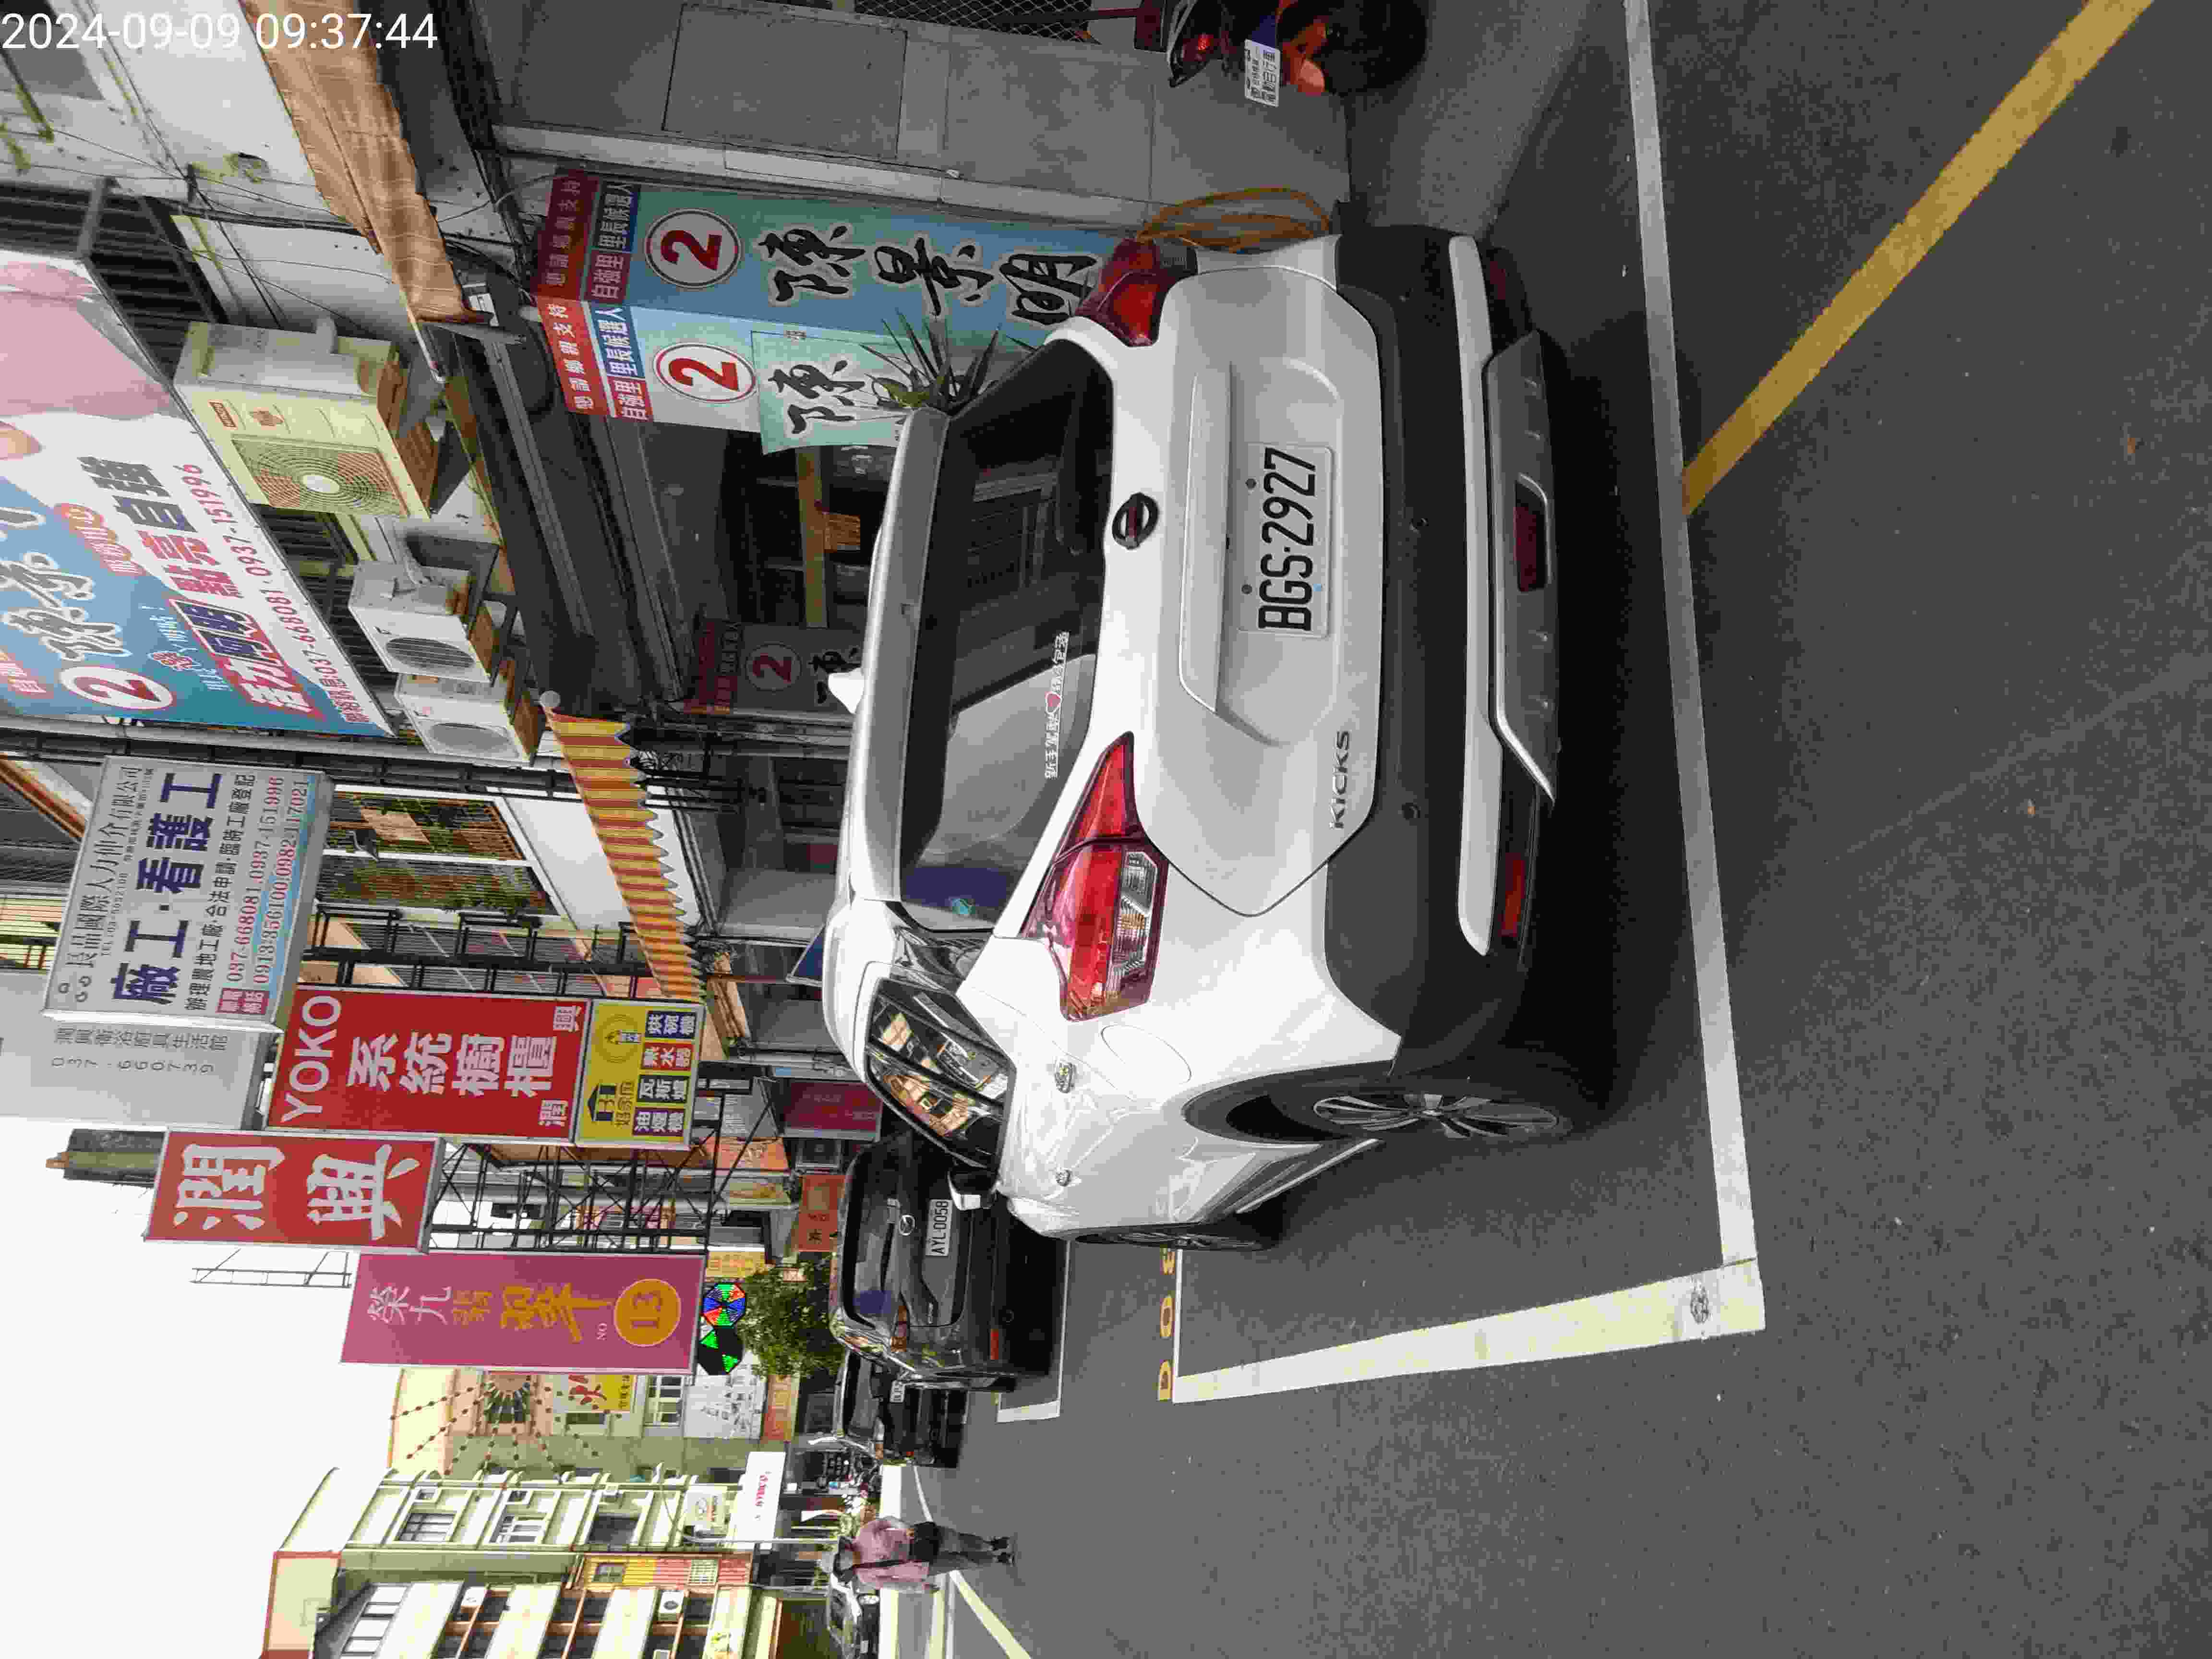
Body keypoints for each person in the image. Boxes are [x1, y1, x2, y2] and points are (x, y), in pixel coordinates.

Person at [836, 1515, 1014, 1587]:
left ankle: (990, 1546)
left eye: (841, 1556)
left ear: (844, 1547)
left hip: (919, 1538)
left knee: (959, 1541)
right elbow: (894, 1584)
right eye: (841, 1564)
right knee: (961, 1562)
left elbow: (887, 1521)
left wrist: (904, 1527)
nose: (845, 1560)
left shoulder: (864, 1533)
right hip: (921, 1566)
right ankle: (996, 1559)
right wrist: (919, 1588)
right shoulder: (865, 1577)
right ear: (845, 1570)